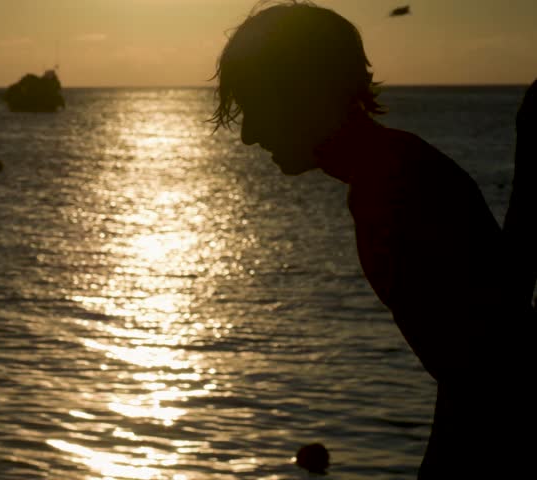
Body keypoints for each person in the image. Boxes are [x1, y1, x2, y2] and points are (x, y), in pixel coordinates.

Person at [210, 1, 536, 477]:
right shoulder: (392, 167)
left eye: (257, 107)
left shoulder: (390, 184)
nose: (249, 135)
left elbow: (480, 366)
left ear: (304, 94)